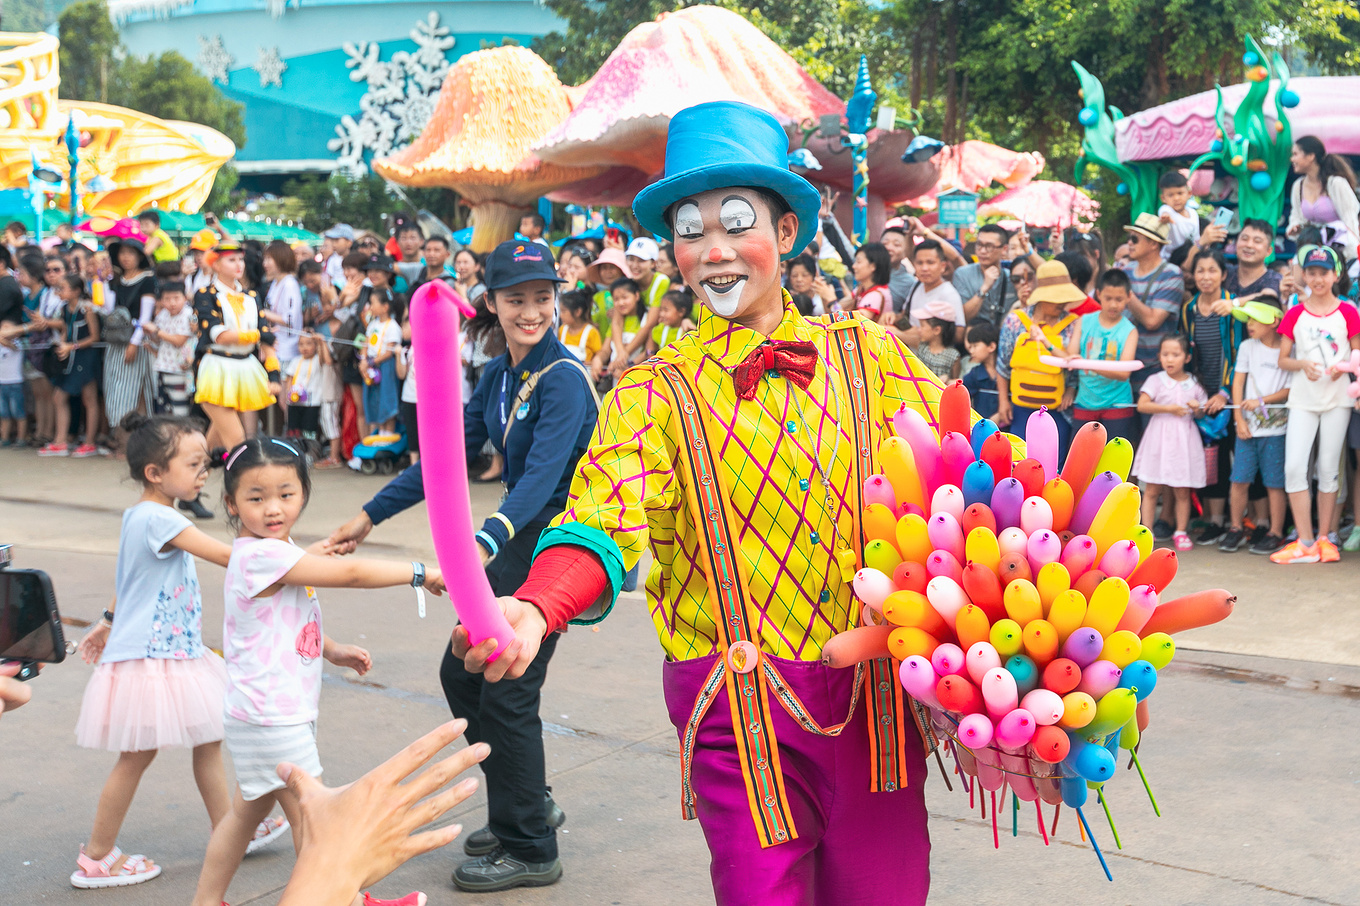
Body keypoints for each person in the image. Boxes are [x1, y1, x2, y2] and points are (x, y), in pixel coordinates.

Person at [450, 100, 980, 905]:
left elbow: (973, 482)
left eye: (737, 223)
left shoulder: (870, 359)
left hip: (877, 709)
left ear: (790, 234)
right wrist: (540, 602)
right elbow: (602, 512)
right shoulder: (651, 392)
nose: (715, 250)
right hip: (741, 714)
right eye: (691, 231)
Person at [328, 238, 599, 893]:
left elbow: (540, 481)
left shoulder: (562, 379)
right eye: (517, 300)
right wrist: (370, 515)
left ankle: (530, 844)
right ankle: (525, 801)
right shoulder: (503, 375)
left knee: (507, 692)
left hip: (556, 554)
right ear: (493, 304)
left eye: (542, 298)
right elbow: (446, 456)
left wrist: (483, 540)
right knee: (463, 677)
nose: (531, 311)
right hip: (511, 551)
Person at [190, 437, 443, 906]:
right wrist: (418, 572)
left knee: (247, 814)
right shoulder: (263, 555)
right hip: (272, 715)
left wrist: (331, 650)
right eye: (256, 497)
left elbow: (280, 620)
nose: (273, 509)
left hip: (259, 713)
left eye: (286, 495)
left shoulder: (272, 549)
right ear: (230, 502)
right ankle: (349, 901)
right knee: (319, 823)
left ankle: (206, 902)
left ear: (303, 493)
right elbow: (350, 575)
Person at [70, 415, 288, 890]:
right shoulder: (162, 518)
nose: (203, 472)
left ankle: (230, 830)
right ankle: (99, 856)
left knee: (207, 740)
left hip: (173, 652)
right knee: (137, 756)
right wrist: (284, 552)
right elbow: (225, 555)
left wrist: (106, 623)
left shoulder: (141, 515)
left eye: (204, 462)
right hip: (154, 657)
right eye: (193, 464)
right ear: (155, 472)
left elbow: (129, 580)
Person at [1271, 245, 1360, 564]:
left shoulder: (1349, 311)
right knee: (1294, 467)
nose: (1318, 278)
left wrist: (1346, 371)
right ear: (1304, 275)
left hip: (1337, 401)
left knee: (1328, 469)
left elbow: (1357, 356)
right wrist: (1303, 365)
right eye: (1312, 272)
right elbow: (1283, 359)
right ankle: (1304, 539)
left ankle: (1325, 537)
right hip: (1302, 401)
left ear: (1336, 275)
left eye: (1324, 272)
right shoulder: (1295, 311)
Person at [1176, 248, 1244, 545]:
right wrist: (1198, 393)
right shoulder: (1189, 309)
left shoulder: (1232, 307)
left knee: (1237, 457)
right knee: (1211, 458)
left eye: (1212, 270)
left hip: (1231, 393)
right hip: (1202, 396)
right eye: (1200, 271)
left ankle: (1244, 523)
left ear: (1223, 275)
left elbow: (1237, 350)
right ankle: (1215, 520)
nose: (1206, 277)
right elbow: (1189, 354)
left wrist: (1225, 392)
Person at [193, 241, 280, 451]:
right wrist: (258, 335)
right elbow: (220, 336)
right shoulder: (206, 294)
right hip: (217, 367)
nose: (239, 264)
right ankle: (243, 482)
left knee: (212, 444)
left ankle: (191, 474)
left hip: (245, 367)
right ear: (216, 265)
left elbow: (267, 343)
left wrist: (275, 375)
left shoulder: (252, 296)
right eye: (231, 260)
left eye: (240, 259)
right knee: (237, 440)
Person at [1223, 301, 1290, 555]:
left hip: (1276, 429)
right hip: (1247, 429)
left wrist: (1263, 401)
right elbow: (1237, 383)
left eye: (1255, 319)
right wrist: (1239, 419)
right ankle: (1236, 527)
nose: (1249, 325)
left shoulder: (1288, 349)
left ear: (1274, 321)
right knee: (1239, 479)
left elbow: (1289, 389)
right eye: (1247, 319)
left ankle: (1275, 532)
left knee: (1275, 483)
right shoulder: (1247, 347)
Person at [995, 258, 1084, 447]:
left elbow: (1075, 365)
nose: (1062, 303)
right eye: (1056, 298)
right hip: (1021, 406)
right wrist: (1003, 401)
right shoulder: (1015, 321)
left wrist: (1071, 389)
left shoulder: (1073, 324)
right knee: (1021, 458)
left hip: (1059, 408)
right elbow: (1003, 365)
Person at [1133, 334, 1208, 550]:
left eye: (1175, 354)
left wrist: (1197, 408)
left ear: (1186, 357)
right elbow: (1143, 405)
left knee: (1182, 490)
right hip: (1158, 438)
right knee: (1152, 488)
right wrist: (1169, 409)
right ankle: (1146, 530)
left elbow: (1202, 413)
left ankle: (1181, 531)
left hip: (1183, 441)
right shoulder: (1155, 380)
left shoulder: (1194, 384)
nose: (1170, 359)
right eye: (1165, 354)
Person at [1069, 268, 1140, 446]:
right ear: (1098, 294)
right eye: (1108, 298)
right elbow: (1070, 355)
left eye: (1119, 299)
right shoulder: (1084, 321)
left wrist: (1086, 364)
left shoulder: (1129, 331)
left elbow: (1124, 373)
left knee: (1114, 462)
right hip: (1084, 401)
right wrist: (1047, 345)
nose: (1114, 305)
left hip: (1117, 405)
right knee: (1079, 459)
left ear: (1129, 297)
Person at [1116, 212, 1184, 394]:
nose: (1129, 243)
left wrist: (1124, 294)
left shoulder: (1171, 274)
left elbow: (1152, 321)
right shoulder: (1125, 271)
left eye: (1135, 239)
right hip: (1121, 366)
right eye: (1130, 238)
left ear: (1154, 244)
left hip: (1155, 370)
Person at [104, 237, 158, 455]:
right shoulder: (115, 280)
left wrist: (134, 344)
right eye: (122, 253)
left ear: (139, 256)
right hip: (116, 342)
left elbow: (145, 316)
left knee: (133, 393)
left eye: (131, 253)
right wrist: (102, 281)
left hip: (137, 341)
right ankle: (123, 442)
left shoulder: (148, 280)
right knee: (115, 392)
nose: (125, 257)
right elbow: (109, 310)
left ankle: (131, 446)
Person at [40, 274, 100, 457]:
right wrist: (63, 345)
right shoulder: (66, 308)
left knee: (89, 398)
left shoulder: (87, 309)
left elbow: (95, 337)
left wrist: (72, 346)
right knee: (59, 397)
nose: (59, 292)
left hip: (85, 356)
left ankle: (89, 442)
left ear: (76, 291)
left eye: (63, 288)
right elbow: (66, 329)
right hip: (70, 357)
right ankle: (61, 441)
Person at [143, 281, 201, 444]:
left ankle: (182, 442)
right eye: (167, 299)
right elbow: (161, 340)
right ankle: (170, 442)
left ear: (185, 298)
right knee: (165, 407)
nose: (172, 303)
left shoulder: (189, 315)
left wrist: (157, 331)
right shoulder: (163, 315)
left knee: (180, 409)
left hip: (179, 369)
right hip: (163, 367)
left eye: (176, 298)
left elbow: (179, 340)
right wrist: (152, 335)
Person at [1288, 136, 1359, 262]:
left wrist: (1353, 253)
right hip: (1312, 247)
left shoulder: (1336, 184)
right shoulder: (1298, 186)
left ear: (1310, 156)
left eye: (1295, 154)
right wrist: (1295, 227)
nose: (1292, 159)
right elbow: (1296, 216)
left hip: (1340, 248)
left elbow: (1350, 219)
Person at [892, 239, 966, 346]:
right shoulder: (917, 286)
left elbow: (959, 334)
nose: (924, 268)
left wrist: (900, 335)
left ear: (943, 266)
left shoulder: (949, 294)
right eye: (919, 263)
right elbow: (906, 316)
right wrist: (893, 316)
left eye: (930, 262)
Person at [360, 282, 403, 436]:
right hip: (371, 366)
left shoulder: (393, 327)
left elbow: (388, 352)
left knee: (387, 398)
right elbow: (366, 343)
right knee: (374, 399)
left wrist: (371, 362)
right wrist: (363, 360)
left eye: (372, 303)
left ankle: (388, 433)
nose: (370, 306)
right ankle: (377, 433)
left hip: (385, 367)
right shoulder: (372, 324)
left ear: (385, 307)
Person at [261, 241, 304, 368]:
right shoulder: (276, 282)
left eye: (269, 259)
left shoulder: (289, 284)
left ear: (281, 259)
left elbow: (289, 319)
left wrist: (263, 313)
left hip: (287, 350)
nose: (265, 264)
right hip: (276, 346)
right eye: (265, 259)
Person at [596, 277, 644, 380]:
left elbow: (649, 352)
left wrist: (627, 367)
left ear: (636, 296)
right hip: (616, 379)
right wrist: (598, 359)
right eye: (616, 299)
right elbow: (606, 350)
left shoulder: (645, 319)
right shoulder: (615, 323)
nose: (621, 303)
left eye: (624, 297)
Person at [285, 332, 327, 451]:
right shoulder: (296, 361)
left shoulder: (317, 360)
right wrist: (289, 393)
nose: (305, 347)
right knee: (293, 429)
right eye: (301, 344)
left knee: (309, 429)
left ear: (315, 345)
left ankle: (310, 451)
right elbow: (290, 378)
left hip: (311, 402)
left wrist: (321, 343)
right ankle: (295, 450)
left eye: (309, 344)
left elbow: (326, 359)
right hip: (294, 401)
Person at [913, 295, 960, 379]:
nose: (919, 330)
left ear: (937, 330)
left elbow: (955, 382)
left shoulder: (953, 356)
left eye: (922, 326)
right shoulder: (921, 346)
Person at [1157, 172, 1200, 260]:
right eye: (1170, 195)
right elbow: (1164, 212)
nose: (1176, 198)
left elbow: (1196, 238)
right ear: (1163, 198)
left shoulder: (1193, 213)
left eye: (1180, 193)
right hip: (1169, 259)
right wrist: (1165, 217)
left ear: (1189, 193)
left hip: (1189, 257)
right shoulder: (1167, 210)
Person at [961, 322, 999, 419]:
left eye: (975, 346)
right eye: (970, 347)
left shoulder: (1006, 374)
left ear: (991, 347)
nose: (971, 351)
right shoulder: (974, 375)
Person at [557, 288, 601, 364]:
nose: (560, 316)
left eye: (564, 311)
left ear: (578, 312)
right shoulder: (562, 330)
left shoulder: (591, 332)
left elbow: (599, 356)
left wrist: (591, 363)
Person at [850, 242, 892, 319]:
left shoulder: (875, 295)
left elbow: (856, 323)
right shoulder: (862, 289)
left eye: (858, 262)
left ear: (873, 266)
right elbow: (845, 303)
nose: (854, 266)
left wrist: (831, 301)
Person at [0, 317, 25, 446]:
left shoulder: (18, 343)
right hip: (2, 383)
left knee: (18, 412)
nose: (4, 331)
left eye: (7, 328)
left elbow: (10, 346)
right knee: (4, 413)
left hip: (15, 382)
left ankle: (21, 438)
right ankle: (5, 438)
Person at [879, 226, 915, 314]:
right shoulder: (866, 270)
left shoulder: (909, 283)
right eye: (885, 243)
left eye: (896, 245)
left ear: (906, 252)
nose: (889, 248)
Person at [648, 289, 694, 354]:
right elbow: (650, 352)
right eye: (661, 310)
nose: (661, 314)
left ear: (681, 311)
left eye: (666, 310)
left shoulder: (688, 331)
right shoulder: (658, 329)